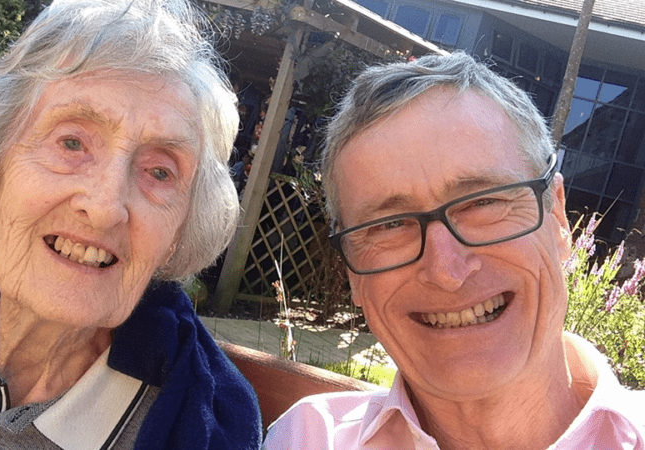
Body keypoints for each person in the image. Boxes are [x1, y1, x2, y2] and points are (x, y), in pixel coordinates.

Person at [0, 0, 262, 449]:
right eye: (71, 142)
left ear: (179, 232)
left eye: (160, 172)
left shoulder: (206, 423)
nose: (105, 207)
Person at [263, 52, 644, 449]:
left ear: (559, 219)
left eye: (483, 202)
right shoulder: (308, 437)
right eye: (390, 225)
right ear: (353, 273)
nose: (447, 270)